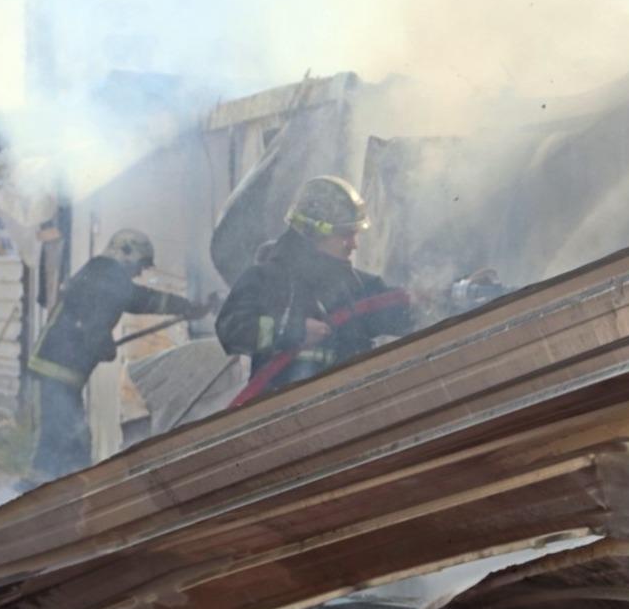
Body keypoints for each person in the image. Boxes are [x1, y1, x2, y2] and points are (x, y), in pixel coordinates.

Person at [26, 228, 209, 484]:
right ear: (125, 252)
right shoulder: (103, 274)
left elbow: (142, 299)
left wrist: (185, 307)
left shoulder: (108, 276)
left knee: (72, 438)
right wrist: (103, 343)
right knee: (56, 436)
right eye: (140, 264)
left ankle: (67, 490)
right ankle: (34, 491)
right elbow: (92, 319)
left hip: (64, 371)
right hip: (54, 367)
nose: (140, 272)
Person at [216, 175, 412, 403]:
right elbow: (231, 329)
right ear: (313, 233)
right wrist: (293, 331)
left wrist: (426, 301)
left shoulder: (358, 286)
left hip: (350, 409)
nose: (354, 244)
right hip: (282, 412)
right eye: (345, 235)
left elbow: (403, 316)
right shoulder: (268, 280)